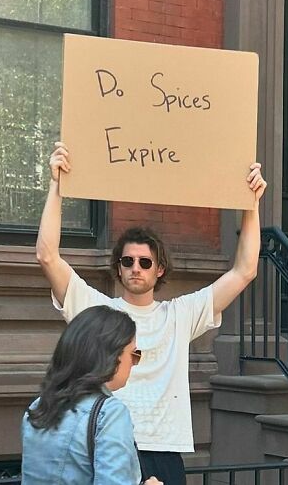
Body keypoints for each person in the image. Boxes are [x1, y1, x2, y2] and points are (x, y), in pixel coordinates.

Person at [36, 141, 267, 485]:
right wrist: (56, 185)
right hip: (110, 445)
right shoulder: (99, 313)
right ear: (118, 266)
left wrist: (251, 204)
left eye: (145, 262)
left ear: (159, 269)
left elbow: (245, 270)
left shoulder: (179, 315)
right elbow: (47, 256)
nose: (135, 268)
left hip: (164, 450)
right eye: (127, 261)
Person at [21, 304, 163, 485]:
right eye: (134, 354)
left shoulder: (38, 407)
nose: (134, 363)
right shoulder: (110, 413)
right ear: (113, 355)